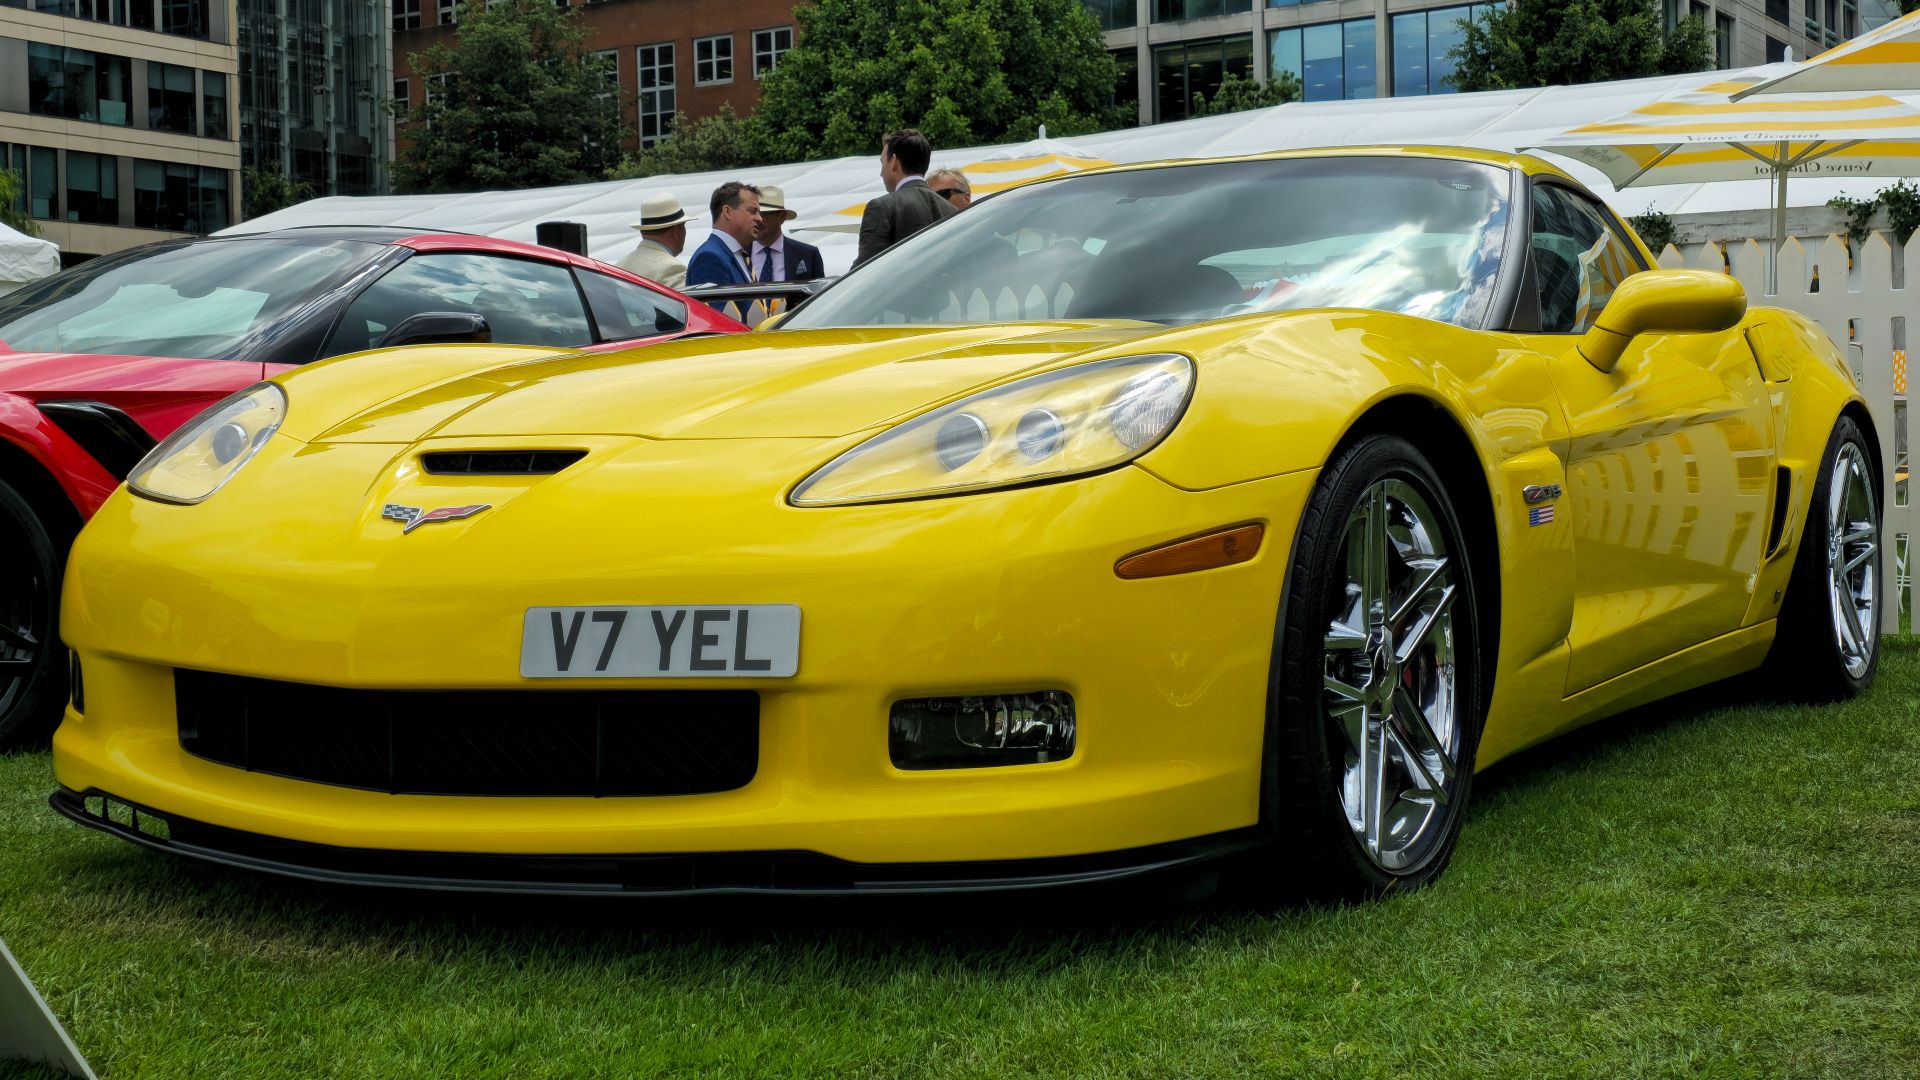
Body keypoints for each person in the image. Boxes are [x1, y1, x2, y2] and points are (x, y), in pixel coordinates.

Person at [853, 129, 956, 268]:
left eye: (883, 163)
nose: (881, 173)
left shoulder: (881, 207)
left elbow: (864, 271)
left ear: (894, 162)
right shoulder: (953, 212)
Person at [685, 181, 763, 295]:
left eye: (759, 213)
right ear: (727, 211)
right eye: (752, 211)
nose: (759, 218)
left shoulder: (735, 254)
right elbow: (713, 312)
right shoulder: (710, 257)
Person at [750, 185, 825, 283]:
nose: (758, 219)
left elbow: (822, 295)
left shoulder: (807, 254)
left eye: (764, 214)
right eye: (753, 213)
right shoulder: (737, 253)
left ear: (781, 217)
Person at [616, 192, 690, 289]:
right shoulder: (673, 268)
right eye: (683, 225)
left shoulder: (619, 266)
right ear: (675, 231)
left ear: (643, 232)